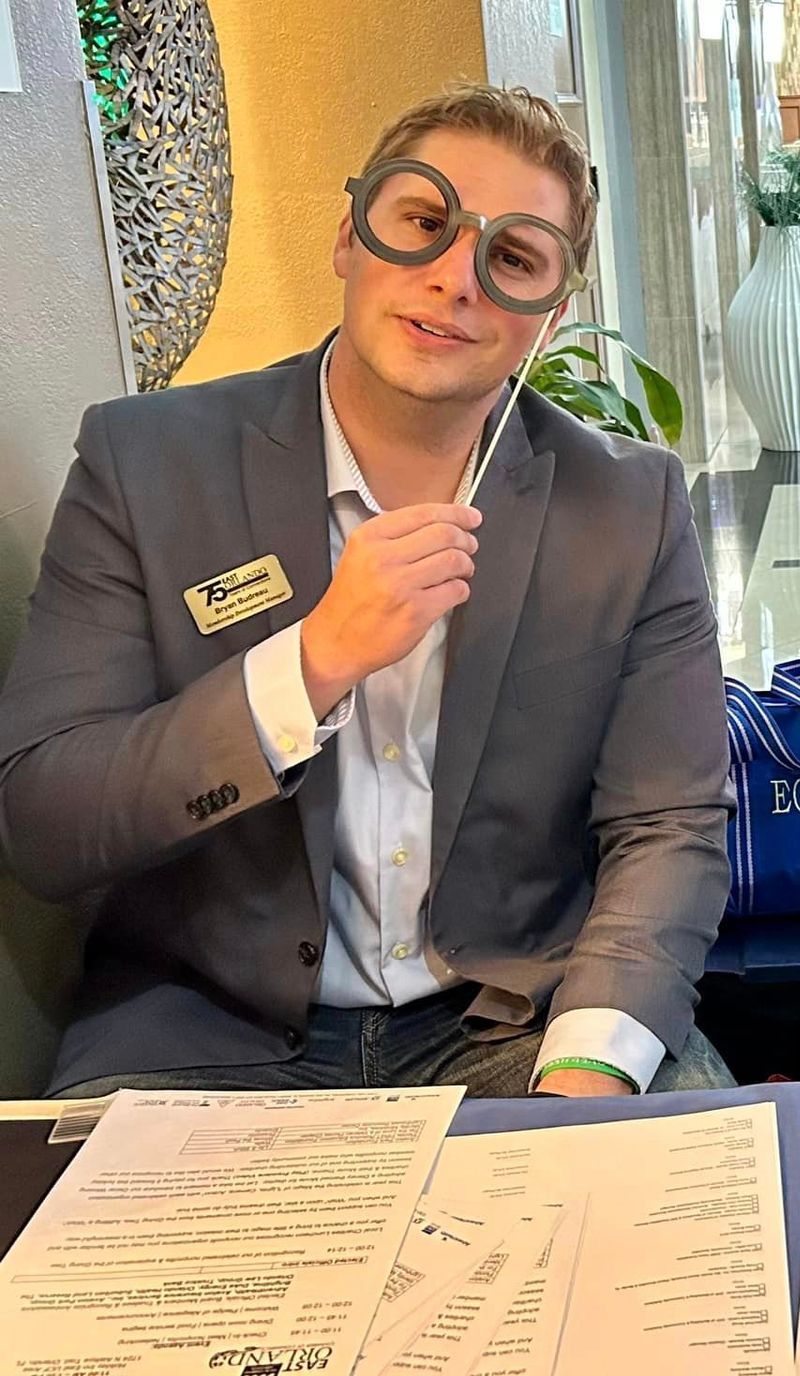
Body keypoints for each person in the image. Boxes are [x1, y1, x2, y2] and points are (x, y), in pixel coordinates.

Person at [0, 84, 736, 1100]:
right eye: (424, 223)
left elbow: (669, 825)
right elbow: (44, 818)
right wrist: (306, 667)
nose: (455, 281)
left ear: (550, 317)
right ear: (350, 236)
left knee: (681, 1225)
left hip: (520, 1024)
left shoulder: (628, 506)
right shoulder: (147, 465)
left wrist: (588, 1068)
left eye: (512, 257)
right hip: (208, 1043)